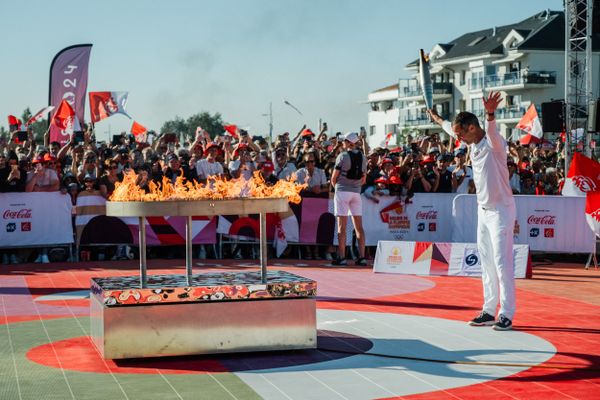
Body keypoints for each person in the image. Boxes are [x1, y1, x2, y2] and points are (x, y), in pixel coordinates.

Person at [428, 91, 517, 331]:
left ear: (471, 128)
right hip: (483, 211)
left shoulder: (494, 144)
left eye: (460, 134)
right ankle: (489, 310)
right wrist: (437, 118)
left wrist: (490, 114)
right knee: (486, 262)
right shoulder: (470, 143)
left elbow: (492, 131)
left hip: (501, 211)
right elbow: (448, 127)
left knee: (501, 262)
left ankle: (506, 313)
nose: (458, 138)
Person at [330, 131, 367, 266]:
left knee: (342, 227)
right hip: (356, 193)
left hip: (342, 191)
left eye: (345, 141)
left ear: (349, 143)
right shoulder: (363, 158)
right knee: (359, 227)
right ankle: (362, 257)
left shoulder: (342, 156)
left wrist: (337, 188)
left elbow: (334, 178)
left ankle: (342, 257)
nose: (343, 143)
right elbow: (364, 179)